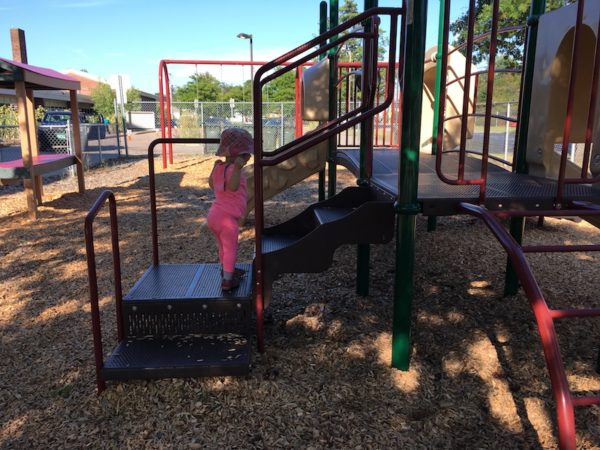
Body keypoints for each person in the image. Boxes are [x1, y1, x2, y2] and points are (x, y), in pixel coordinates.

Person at [207, 127, 253, 291]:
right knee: (231, 248)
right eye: (246, 154)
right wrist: (238, 170)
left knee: (222, 247)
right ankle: (228, 280)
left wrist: (214, 169)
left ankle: (225, 270)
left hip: (214, 215)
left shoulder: (219, 166)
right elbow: (233, 187)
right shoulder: (235, 170)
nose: (248, 158)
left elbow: (212, 184)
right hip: (227, 219)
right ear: (239, 155)